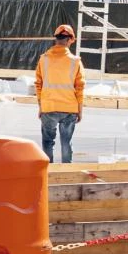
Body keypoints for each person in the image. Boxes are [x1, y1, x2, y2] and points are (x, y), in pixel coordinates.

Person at [34, 24, 85, 163]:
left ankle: (48, 172)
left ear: (56, 39)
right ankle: (66, 173)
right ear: (69, 40)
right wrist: (80, 110)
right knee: (66, 143)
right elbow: (80, 88)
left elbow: (38, 84)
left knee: (47, 142)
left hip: (48, 107)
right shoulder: (75, 62)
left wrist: (41, 107)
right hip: (69, 108)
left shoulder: (43, 59)